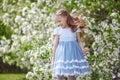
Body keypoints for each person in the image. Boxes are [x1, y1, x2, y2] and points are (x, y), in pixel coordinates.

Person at [51, 9, 91, 80]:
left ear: (65, 17)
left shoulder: (75, 29)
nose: (59, 23)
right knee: (59, 76)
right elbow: (55, 45)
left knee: (72, 76)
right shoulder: (58, 30)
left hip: (72, 54)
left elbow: (79, 41)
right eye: (57, 22)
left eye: (60, 21)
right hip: (61, 55)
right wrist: (53, 58)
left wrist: (83, 49)